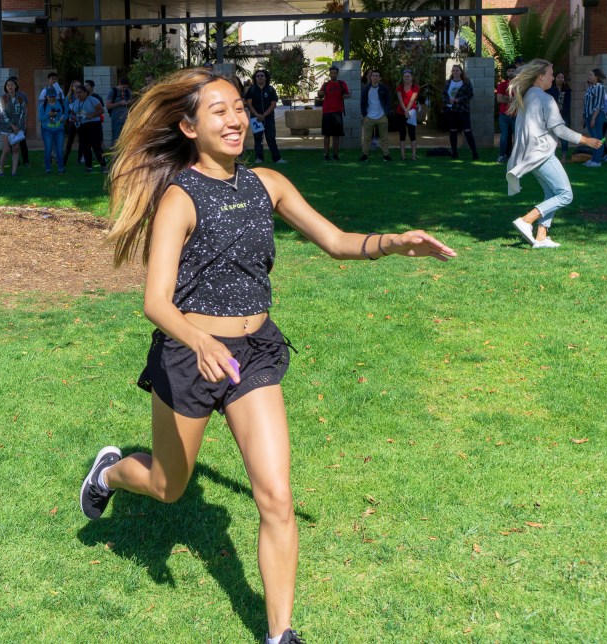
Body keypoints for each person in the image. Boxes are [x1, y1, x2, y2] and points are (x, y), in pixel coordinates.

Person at [80, 67, 456, 644]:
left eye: (239, 108)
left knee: (276, 497)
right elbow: (156, 302)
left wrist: (393, 242)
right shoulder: (179, 197)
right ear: (187, 126)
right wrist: (199, 340)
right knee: (167, 486)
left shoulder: (268, 184)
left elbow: (335, 242)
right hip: (189, 355)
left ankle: (281, 634)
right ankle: (108, 472)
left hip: (252, 354)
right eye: (218, 111)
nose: (234, 120)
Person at [507, 60, 603, 249]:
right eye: (551, 74)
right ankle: (527, 220)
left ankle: (541, 236)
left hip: (530, 156)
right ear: (541, 76)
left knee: (552, 193)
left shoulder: (527, 96)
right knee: (566, 194)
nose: (553, 77)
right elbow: (559, 129)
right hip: (541, 155)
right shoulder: (545, 98)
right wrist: (586, 140)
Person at [246, 70, 284, 164]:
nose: (260, 77)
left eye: (262, 75)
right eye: (257, 76)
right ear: (255, 78)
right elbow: (249, 104)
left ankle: (277, 158)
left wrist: (264, 115)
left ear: (266, 77)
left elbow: (273, 104)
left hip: (269, 118)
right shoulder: (251, 89)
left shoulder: (270, 89)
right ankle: (259, 158)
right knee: (258, 138)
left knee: (271, 137)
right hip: (255, 118)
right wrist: (257, 115)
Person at [68, 83, 107, 173]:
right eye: (77, 93)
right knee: (85, 147)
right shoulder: (75, 103)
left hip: (94, 125)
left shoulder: (93, 100)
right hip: (82, 126)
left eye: (80, 92)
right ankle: (88, 166)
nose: (78, 94)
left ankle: (103, 166)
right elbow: (73, 113)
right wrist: (74, 118)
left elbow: (101, 110)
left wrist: (91, 115)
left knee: (96, 146)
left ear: (86, 92)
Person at [442, 64, 478, 160]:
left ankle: (474, 152)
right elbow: (444, 95)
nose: (455, 72)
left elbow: (470, 95)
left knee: (467, 131)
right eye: (453, 70)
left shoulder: (466, 82)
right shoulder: (448, 82)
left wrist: (459, 99)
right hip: (451, 110)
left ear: (461, 72)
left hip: (463, 110)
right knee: (452, 131)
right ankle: (454, 152)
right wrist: (447, 101)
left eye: (457, 70)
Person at [317, 65, 350, 161]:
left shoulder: (342, 84)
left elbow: (347, 94)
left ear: (337, 74)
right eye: (331, 73)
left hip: (338, 112)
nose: (333, 75)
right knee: (326, 135)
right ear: (329, 74)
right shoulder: (326, 85)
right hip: (327, 112)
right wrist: (320, 94)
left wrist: (347, 95)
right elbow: (320, 97)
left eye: (335, 73)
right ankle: (326, 154)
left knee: (336, 135)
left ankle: (335, 154)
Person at [0, 77, 28, 177]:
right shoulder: (2, 99)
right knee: (6, 150)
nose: (10, 86)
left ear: (16, 86)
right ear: (6, 87)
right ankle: (1, 170)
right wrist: (12, 126)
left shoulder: (20, 99)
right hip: (5, 128)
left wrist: (18, 127)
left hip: (18, 128)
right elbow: (2, 114)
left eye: (12, 84)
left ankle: (14, 172)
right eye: (8, 85)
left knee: (16, 149)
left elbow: (23, 113)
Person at [359, 69, 392, 162]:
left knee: (384, 137)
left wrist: (386, 114)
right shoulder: (366, 88)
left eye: (377, 76)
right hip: (369, 117)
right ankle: (365, 154)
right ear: (371, 77)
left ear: (380, 78)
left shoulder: (384, 88)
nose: (375, 78)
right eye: (373, 76)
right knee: (366, 137)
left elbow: (388, 101)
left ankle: (386, 155)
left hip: (382, 116)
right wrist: (364, 115)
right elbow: (362, 102)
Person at [582, 68, 607, 167]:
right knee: (593, 139)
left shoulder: (599, 87)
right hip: (589, 115)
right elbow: (586, 104)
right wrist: (585, 116)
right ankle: (593, 159)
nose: (589, 77)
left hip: (596, 116)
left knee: (598, 138)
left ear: (596, 77)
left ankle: (597, 161)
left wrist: (593, 118)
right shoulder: (590, 88)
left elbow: (599, 104)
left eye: (591, 75)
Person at [545, 71, 572, 163]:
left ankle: (564, 156)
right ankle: (552, 155)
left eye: (562, 78)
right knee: (552, 135)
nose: (560, 79)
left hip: (563, 116)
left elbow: (568, 104)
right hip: (552, 116)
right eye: (558, 77)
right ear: (555, 78)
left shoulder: (567, 90)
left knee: (564, 136)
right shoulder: (550, 89)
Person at [39, 86, 67, 174]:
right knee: (48, 149)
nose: (52, 98)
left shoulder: (61, 103)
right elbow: (41, 119)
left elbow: (66, 114)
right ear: (46, 96)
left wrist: (63, 118)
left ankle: (61, 168)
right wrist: (48, 115)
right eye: (50, 96)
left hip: (59, 130)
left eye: (53, 96)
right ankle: (48, 168)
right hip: (47, 130)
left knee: (59, 149)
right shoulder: (42, 106)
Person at [395, 69, 420, 160]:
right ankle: (403, 155)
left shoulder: (415, 87)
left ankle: (413, 155)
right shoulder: (399, 87)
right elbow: (400, 100)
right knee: (402, 134)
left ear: (411, 77)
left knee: (412, 134)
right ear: (403, 77)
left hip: (411, 113)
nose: (407, 78)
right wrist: (405, 111)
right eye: (405, 76)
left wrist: (407, 111)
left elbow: (412, 99)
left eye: (408, 76)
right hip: (400, 113)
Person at [495, 63, 516, 162]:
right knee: (504, 135)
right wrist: (512, 99)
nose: (511, 72)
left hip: (516, 114)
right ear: (506, 73)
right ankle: (501, 155)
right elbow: (499, 99)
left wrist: (506, 97)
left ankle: (517, 156)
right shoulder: (502, 85)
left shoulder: (519, 85)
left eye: (513, 70)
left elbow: (521, 99)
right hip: (504, 114)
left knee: (518, 136)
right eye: (509, 71)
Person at [106, 76, 133, 144]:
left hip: (127, 118)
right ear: (119, 84)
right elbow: (108, 106)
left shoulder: (128, 91)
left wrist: (129, 102)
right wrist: (119, 103)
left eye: (126, 87)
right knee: (116, 138)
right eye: (123, 87)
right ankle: (115, 154)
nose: (124, 89)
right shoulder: (112, 91)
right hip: (116, 119)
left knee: (127, 138)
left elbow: (132, 101)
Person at [63, 80, 83, 168]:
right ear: (72, 87)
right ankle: (64, 160)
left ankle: (79, 159)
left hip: (82, 121)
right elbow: (66, 110)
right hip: (72, 121)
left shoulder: (82, 97)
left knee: (82, 141)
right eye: (75, 85)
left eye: (79, 85)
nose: (76, 87)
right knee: (70, 141)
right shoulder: (68, 98)